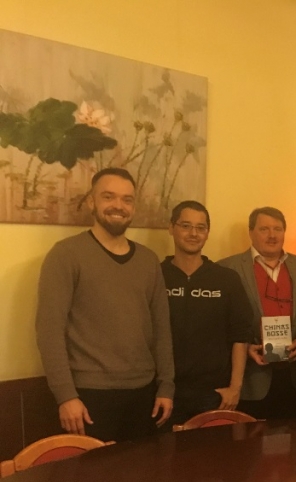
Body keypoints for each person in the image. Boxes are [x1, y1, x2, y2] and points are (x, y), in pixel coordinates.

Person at [36, 167, 174, 441]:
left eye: (127, 199)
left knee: (144, 469)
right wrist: (66, 396)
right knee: (93, 471)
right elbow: (49, 331)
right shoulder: (65, 255)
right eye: (108, 197)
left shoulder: (148, 260)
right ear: (91, 201)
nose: (118, 206)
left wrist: (166, 386)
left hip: (144, 394)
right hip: (88, 396)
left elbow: (161, 329)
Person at [219, 206, 296, 418]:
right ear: (251, 232)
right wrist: (245, 348)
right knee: (254, 436)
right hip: (253, 377)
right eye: (264, 229)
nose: (272, 235)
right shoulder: (228, 268)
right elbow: (219, 322)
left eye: (277, 229)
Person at [161, 200, 253, 428]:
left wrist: (235, 388)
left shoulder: (226, 279)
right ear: (171, 228)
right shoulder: (155, 276)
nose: (193, 233)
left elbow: (240, 336)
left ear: (207, 233)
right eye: (185, 226)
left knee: (211, 452)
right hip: (164, 393)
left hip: (214, 394)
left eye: (200, 227)